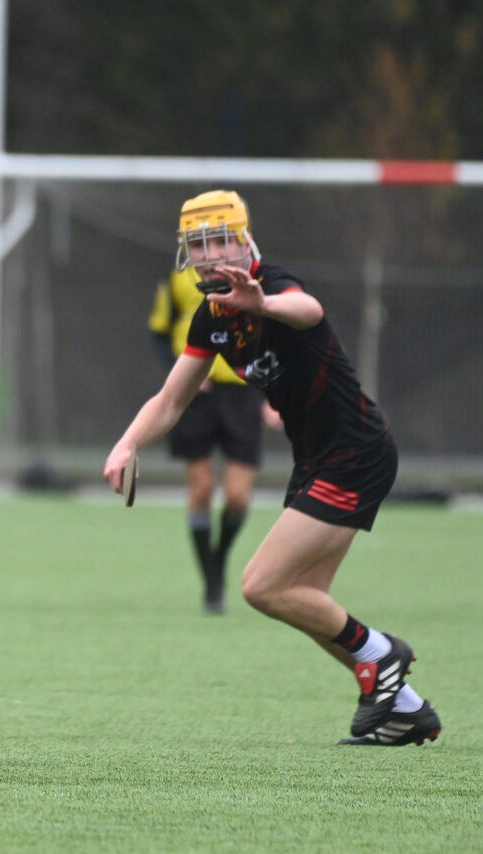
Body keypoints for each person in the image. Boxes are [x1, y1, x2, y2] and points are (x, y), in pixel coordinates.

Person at [104, 189, 440, 747]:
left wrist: (262, 304)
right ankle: (406, 709)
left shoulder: (273, 284)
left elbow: (309, 310)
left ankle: (382, 654)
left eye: (221, 241)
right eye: (199, 245)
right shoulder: (211, 317)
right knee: (307, 601)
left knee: (261, 586)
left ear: (245, 241)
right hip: (317, 459)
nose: (212, 255)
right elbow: (170, 400)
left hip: (354, 452)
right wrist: (126, 444)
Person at [147, 264, 269, 614]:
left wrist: (273, 394)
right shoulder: (175, 278)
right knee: (200, 490)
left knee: (238, 496)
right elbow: (159, 332)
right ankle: (212, 584)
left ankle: (218, 559)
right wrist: (182, 372)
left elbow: (275, 335)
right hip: (196, 397)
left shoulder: (255, 278)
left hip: (242, 393)